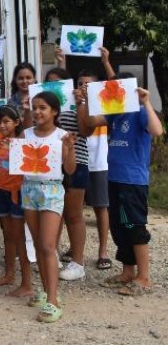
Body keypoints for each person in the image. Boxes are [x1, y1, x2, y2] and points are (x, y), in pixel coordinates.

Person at [79, 74, 163, 296]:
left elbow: (157, 131)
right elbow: (88, 122)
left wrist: (146, 102)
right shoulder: (114, 113)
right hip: (114, 178)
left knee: (134, 227)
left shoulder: (140, 111)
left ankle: (144, 278)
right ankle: (127, 272)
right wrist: (87, 99)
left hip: (132, 180)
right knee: (119, 227)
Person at [23, 92, 76, 323]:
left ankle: (53, 301)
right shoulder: (25, 134)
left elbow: (71, 170)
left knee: (47, 245)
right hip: (29, 189)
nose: (37, 112)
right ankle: (46, 291)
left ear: (54, 111)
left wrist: (70, 149)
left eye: (42, 107)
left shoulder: (62, 135)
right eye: (34, 107)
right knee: (37, 244)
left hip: (52, 190)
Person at [44, 64, 89, 282]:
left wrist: (80, 103)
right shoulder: (42, 108)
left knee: (73, 214)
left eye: (58, 83)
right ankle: (52, 256)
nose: (54, 88)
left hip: (76, 162)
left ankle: (78, 262)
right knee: (54, 212)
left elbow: (85, 130)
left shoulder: (75, 104)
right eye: (49, 83)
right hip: (49, 165)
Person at [0, 106, 32, 297]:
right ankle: (9, 274)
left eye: (6, 122)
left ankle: (26, 282)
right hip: (1, 191)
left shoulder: (21, 141)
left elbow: (28, 128)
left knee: (19, 238)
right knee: (8, 236)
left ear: (16, 122)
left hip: (17, 193)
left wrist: (26, 111)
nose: (2, 125)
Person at [76, 60, 114, 269]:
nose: (83, 86)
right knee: (74, 210)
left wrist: (106, 61)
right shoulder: (74, 104)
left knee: (101, 207)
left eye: (88, 84)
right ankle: (75, 249)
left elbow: (115, 85)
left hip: (99, 163)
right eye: (81, 83)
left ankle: (103, 252)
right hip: (78, 161)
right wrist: (60, 60)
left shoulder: (104, 105)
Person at [7, 62, 36, 127]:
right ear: (15, 80)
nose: (24, 81)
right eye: (20, 78)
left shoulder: (42, 99)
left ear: (34, 79)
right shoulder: (10, 103)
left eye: (28, 78)